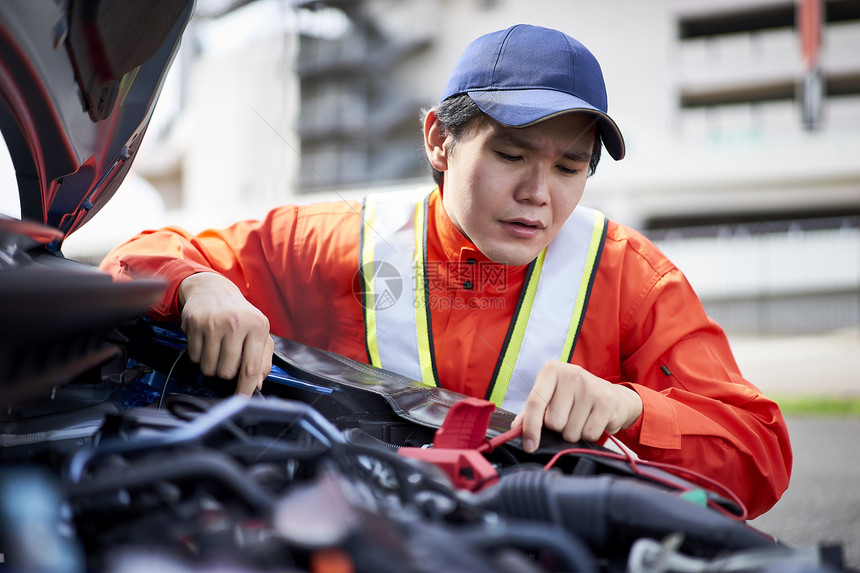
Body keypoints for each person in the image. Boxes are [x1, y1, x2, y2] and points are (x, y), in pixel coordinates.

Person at [100, 24, 791, 518]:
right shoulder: (342, 243)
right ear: (438, 138)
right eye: (513, 154)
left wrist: (633, 407)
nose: (540, 194)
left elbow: (760, 452)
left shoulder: (632, 277)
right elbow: (139, 254)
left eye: (569, 167)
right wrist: (201, 283)